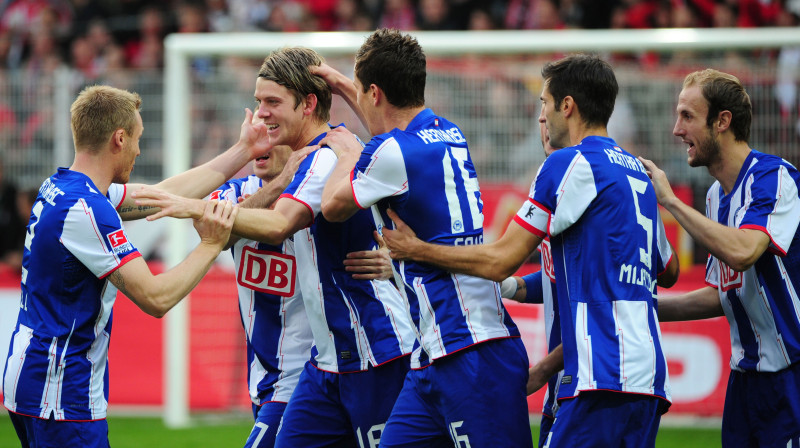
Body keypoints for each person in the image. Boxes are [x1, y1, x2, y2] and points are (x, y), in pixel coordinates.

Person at [380, 53, 679, 448]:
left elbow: (502, 258)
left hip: (598, 376)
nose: (542, 115)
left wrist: (418, 249)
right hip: (647, 378)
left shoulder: (567, 163)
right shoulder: (636, 171)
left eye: (544, 103)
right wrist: (517, 289)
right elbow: (667, 270)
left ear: (567, 106)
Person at [134, 47, 416, 447]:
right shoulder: (289, 173)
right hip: (328, 364)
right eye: (257, 103)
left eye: (271, 103)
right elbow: (216, 231)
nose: (260, 116)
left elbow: (281, 224)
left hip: (375, 351)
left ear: (308, 104)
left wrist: (190, 204)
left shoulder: (329, 155)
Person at [317, 28, 532, 448]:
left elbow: (332, 206)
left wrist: (345, 152)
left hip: (470, 350)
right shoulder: (447, 132)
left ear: (375, 93)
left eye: (360, 92)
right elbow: (392, 147)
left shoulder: (387, 153)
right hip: (433, 353)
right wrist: (345, 83)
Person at [1, 85, 244, 448]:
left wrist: (244, 150)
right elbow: (155, 297)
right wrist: (212, 243)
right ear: (119, 138)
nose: (139, 149)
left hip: (30, 375)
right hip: (61, 391)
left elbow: (159, 196)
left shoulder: (63, 186)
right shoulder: (87, 210)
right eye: (137, 138)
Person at [639, 68, 800, 448]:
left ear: (722, 121)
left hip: (792, 376)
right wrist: (643, 306)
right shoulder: (714, 197)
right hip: (745, 383)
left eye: (688, 116)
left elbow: (744, 252)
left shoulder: (774, 178)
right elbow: (722, 293)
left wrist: (671, 202)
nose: (677, 130)